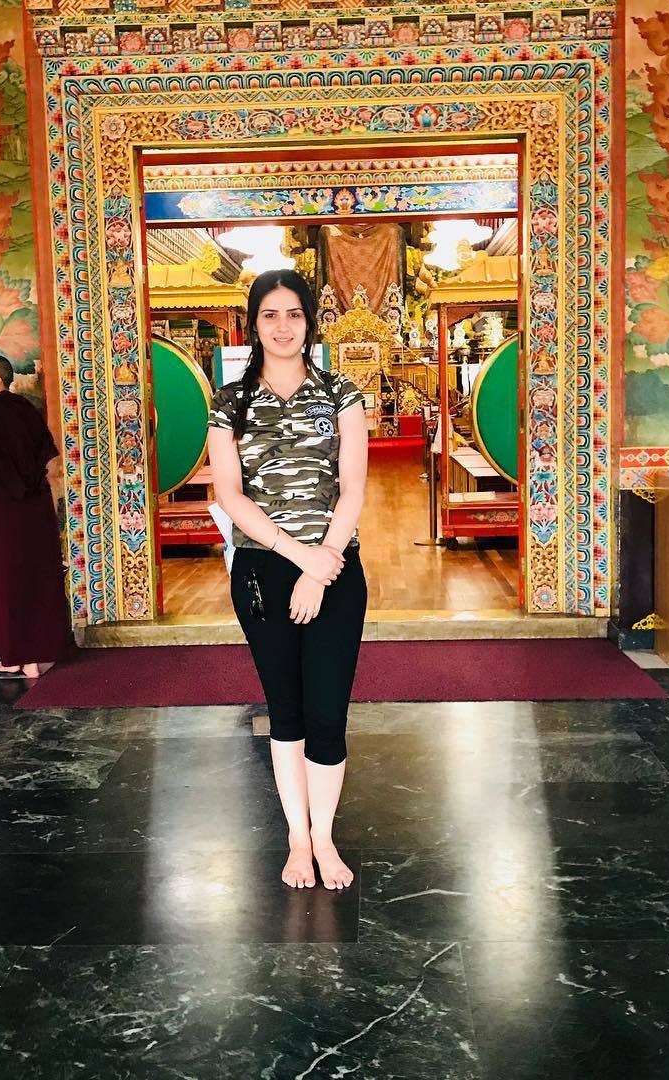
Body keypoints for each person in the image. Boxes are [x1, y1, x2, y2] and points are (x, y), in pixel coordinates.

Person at [207, 269, 368, 891]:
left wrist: (322, 562)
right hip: (263, 569)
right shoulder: (230, 403)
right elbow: (230, 493)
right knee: (286, 710)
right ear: (254, 324)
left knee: (327, 712)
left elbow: (353, 488)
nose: (282, 326)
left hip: (334, 566)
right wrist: (297, 556)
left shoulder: (341, 394)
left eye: (294, 314)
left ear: (309, 322)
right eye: (270, 314)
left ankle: (324, 837)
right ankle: (297, 839)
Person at [0, 353, 68, 679]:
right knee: (34, 579)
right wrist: (51, 509)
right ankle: (33, 659)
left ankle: (13, 659)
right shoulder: (27, 410)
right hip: (36, 509)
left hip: (3, 512)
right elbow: (50, 464)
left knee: (5, 583)